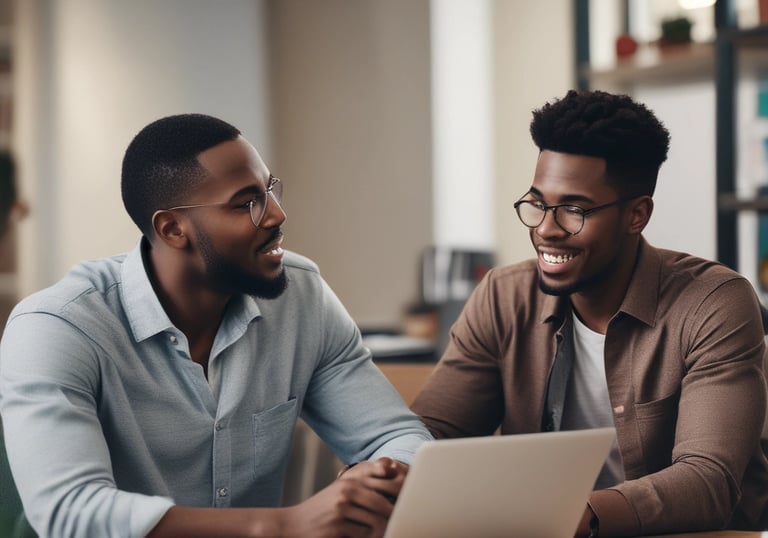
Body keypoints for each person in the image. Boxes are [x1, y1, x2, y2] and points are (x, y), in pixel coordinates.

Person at [0, 114, 432, 538]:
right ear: (173, 229)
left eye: (270, 190)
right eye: (246, 203)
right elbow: (70, 512)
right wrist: (285, 526)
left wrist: (370, 486)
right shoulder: (57, 327)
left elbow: (398, 436)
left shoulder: (302, 297)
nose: (276, 214)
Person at [411, 89, 768, 537]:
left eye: (574, 210)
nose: (546, 229)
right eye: (538, 203)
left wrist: (569, 514)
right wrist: (386, 471)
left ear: (637, 215)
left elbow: (707, 482)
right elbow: (433, 435)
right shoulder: (503, 297)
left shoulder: (713, 303)